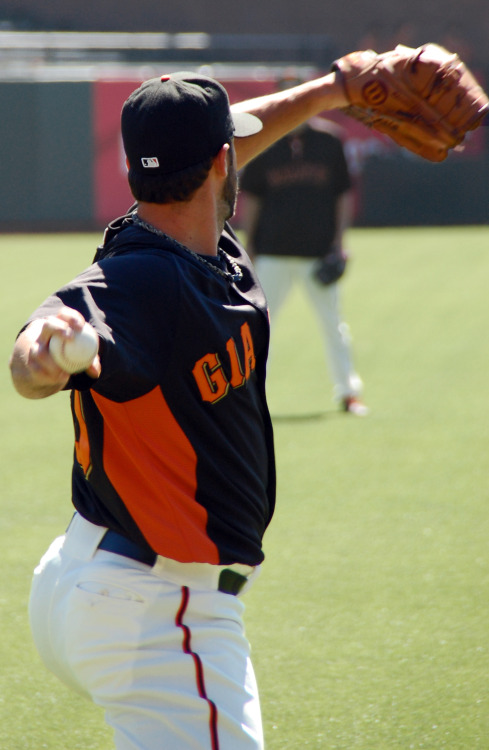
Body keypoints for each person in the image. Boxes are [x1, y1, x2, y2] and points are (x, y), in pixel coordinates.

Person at [239, 78, 368, 415]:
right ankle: (245, 397)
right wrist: (248, 245)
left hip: (317, 251)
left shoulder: (329, 141)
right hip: (272, 251)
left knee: (333, 325)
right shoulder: (265, 143)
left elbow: (343, 194)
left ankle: (349, 393)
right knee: (257, 327)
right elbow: (252, 197)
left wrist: (340, 243)